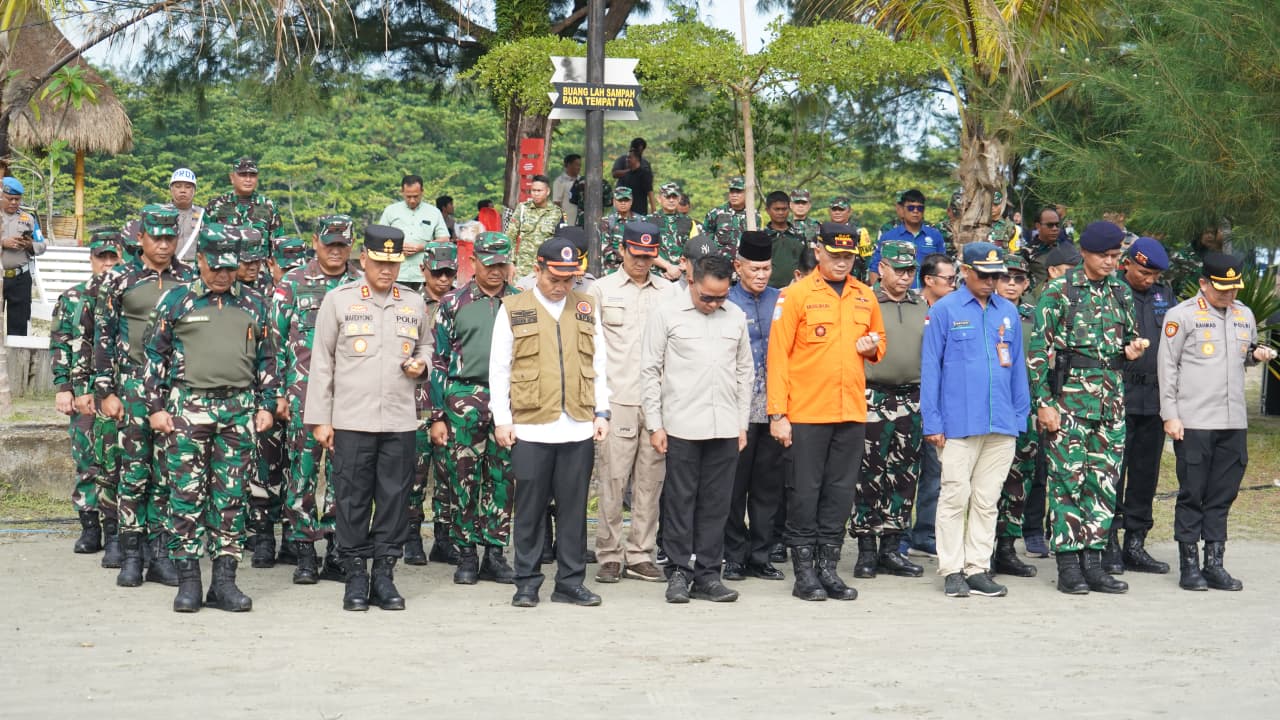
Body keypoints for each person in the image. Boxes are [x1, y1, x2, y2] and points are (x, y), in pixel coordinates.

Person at [142, 225, 276, 613]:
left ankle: (224, 583)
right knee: (185, 497)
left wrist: (267, 403)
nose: (221, 274)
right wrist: (156, 408)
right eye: (214, 266)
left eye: (229, 268)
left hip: (238, 411)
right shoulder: (177, 300)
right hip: (188, 409)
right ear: (199, 259)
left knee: (232, 498)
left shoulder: (254, 304)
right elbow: (153, 357)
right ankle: (188, 582)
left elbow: (268, 358)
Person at [304, 225, 431, 611]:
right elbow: (322, 363)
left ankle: (385, 576)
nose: (387, 270)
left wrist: (421, 364)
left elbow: (426, 343)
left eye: (394, 262)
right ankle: (356, 574)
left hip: (398, 420)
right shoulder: (339, 300)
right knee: (352, 499)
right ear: (364, 260)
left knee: (394, 499)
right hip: (352, 419)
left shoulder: (413, 302)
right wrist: (320, 420)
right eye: (379, 262)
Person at [489, 236, 610, 608]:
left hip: (577, 423)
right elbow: (499, 367)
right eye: (554, 278)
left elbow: (599, 363)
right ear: (537, 270)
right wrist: (502, 420)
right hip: (530, 425)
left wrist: (601, 411)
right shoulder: (513, 307)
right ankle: (526, 582)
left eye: (569, 279)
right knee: (529, 509)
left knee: (574, 512)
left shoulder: (586, 306)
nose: (561, 286)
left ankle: (570, 582)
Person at [767, 223, 886, 602]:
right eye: (834, 255)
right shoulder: (795, 295)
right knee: (804, 492)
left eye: (848, 257)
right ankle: (804, 573)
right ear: (818, 251)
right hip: (806, 411)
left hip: (850, 411)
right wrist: (777, 414)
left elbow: (878, 343)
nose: (840, 263)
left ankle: (828, 569)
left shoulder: (865, 295)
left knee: (839, 494)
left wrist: (871, 346)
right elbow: (777, 357)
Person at [1028, 221, 1146, 595]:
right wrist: (1045, 404)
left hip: (1110, 403)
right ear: (1086, 254)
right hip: (1069, 403)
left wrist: (1132, 349)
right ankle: (1068, 566)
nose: (1112, 262)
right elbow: (1036, 354)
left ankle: (1093, 564)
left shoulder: (1120, 292)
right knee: (1067, 484)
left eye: (1116, 256)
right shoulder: (1060, 291)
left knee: (1104, 483)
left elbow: (1127, 338)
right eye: (1105, 256)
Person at [93, 205, 196, 588]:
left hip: (175, 389)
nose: (165, 245)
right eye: (158, 238)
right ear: (141, 238)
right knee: (133, 474)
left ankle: (161, 552)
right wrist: (105, 390)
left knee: (168, 475)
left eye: (171, 237)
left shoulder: (188, 279)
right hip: (132, 386)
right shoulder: (119, 279)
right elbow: (101, 335)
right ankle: (131, 554)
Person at [1160, 254, 1274, 591]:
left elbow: (1243, 357)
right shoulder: (1181, 316)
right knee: (1192, 492)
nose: (1228, 295)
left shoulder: (1245, 315)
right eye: (1221, 289)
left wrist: (1256, 355)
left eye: (1233, 289)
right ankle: (1189, 565)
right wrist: (1170, 415)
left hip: (1233, 420)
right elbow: (1167, 368)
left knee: (1223, 494)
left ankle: (1215, 563)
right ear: (1204, 284)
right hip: (1194, 420)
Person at [922, 243, 1030, 598]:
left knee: (987, 499)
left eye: (996, 275)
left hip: (1001, 422)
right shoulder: (946, 310)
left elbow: (1016, 368)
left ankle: (978, 567)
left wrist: (1020, 415)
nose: (991, 281)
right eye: (984, 274)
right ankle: (952, 568)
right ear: (965, 271)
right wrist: (933, 421)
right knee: (955, 496)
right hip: (958, 422)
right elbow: (931, 369)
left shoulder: (1008, 312)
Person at [643, 253, 752, 603]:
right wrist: (654, 424)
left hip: (724, 425)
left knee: (717, 504)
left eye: (721, 297)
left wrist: (741, 423)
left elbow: (744, 372)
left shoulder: (734, 316)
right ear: (690, 281)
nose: (714, 304)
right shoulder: (666, 314)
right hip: (681, 424)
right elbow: (650, 371)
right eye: (707, 296)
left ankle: (708, 574)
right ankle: (677, 571)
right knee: (680, 502)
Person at [269, 215, 362, 585]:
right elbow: (273, 340)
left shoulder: (360, 286)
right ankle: (304, 551)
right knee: (302, 475)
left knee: (345, 477)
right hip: (303, 395)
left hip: (351, 398)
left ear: (351, 246)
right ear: (315, 242)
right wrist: (277, 392)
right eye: (329, 244)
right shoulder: (293, 283)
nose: (335, 250)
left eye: (342, 244)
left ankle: (338, 550)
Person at [429, 232, 519, 584]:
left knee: (503, 479)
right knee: (462, 478)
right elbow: (438, 361)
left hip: (508, 402)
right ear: (475, 262)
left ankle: (494, 552)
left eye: (502, 263)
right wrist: (437, 415)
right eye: (489, 263)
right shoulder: (454, 302)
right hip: (464, 398)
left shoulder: (521, 302)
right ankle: (466, 553)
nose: (496, 270)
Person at [587, 221, 669, 584]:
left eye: (648, 256)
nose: (641, 262)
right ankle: (609, 553)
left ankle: (640, 553)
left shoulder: (668, 291)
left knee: (650, 481)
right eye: (636, 254)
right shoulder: (600, 290)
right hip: (616, 398)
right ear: (622, 250)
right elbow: (588, 347)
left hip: (656, 401)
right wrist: (596, 402)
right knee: (612, 480)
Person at [851, 241, 928, 580]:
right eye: (898, 269)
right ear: (881, 268)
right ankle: (866, 549)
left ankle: (892, 549)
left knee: (904, 475)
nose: (904, 276)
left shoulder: (921, 303)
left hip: (911, 397)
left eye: (910, 270)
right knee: (868, 474)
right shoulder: (864, 301)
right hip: (873, 397)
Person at [51, 232, 122, 556]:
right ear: (91, 259)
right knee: (86, 459)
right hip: (82, 392)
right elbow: (61, 344)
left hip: (117, 393)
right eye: (101, 258)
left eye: (113, 257)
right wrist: (64, 388)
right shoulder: (72, 298)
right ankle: (89, 527)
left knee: (117, 462)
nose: (107, 264)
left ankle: (116, 528)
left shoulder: (127, 296)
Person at [722, 231, 785, 581]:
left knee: (767, 486)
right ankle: (733, 554)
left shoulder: (782, 300)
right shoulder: (727, 301)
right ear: (738, 266)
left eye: (766, 268)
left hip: (775, 408)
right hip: (736, 409)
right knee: (733, 486)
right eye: (754, 268)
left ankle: (761, 555)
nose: (761, 275)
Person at [1113, 237, 1175, 575]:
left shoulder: (1164, 296)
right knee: (1111, 476)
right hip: (1117, 397)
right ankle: (1107, 543)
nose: (1149, 280)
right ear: (1127, 264)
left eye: (1154, 274)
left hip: (1153, 402)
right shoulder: (1111, 292)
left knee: (1144, 477)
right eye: (1144, 273)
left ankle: (1135, 544)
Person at [229, 225, 288, 566]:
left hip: (268, 391)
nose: (250, 268)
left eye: (256, 262)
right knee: (236, 469)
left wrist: (274, 394)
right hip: (234, 392)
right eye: (244, 261)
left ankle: (265, 534)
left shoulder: (272, 295)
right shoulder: (217, 292)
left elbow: (275, 351)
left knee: (270, 466)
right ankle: (242, 532)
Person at [405, 241, 457, 566]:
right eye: (437, 272)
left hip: (451, 400)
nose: (442, 279)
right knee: (414, 471)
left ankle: (444, 537)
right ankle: (411, 536)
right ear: (424, 269)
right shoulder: (410, 303)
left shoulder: (460, 303)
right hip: (416, 401)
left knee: (448, 471)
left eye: (448, 273)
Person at [990, 253, 1041, 578]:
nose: (1011, 284)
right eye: (1005, 277)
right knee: (984, 483)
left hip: (1025, 410)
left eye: (1018, 278)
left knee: (1018, 481)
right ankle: (978, 550)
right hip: (990, 407)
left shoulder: (1034, 316)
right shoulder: (984, 312)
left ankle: (1007, 549)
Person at [905, 253, 959, 558]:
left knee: (935, 470)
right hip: (905, 395)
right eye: (949, 279)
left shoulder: (954, 309)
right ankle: (895, 534)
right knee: (901, 470)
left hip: (939, 398)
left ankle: (923, 533)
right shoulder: (910, 306)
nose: (954, 284)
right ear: (929, 280)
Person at [376, 174, 450, 293]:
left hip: (424, 274)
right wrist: (397, 246)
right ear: (402, 192)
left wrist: (422, 247)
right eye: (408, 196)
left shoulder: (434, 212)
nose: (412, 200)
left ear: (422, 192)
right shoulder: (391, 211)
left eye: (416, 196)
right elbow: (379, 237)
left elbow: (445, 239)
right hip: (395, 273)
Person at [868, 190, 945, 288]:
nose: (915, 211)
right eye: (911, 208)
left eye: (919, 208)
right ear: (902, 210)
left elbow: (943, 267)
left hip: (928, 294)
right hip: (896, 294)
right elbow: (875, 268)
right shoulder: (888, 236)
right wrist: (879, 294)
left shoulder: (935, 235)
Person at [1, 176, 47, 336]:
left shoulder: (28, 219)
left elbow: (42, 245)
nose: (14, 202)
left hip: (20, 278)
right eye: (10, 198)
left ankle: (15, 360)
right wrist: (3, 243)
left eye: (17, 199)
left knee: (19, 328)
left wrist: (30, 245)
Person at [205, 157, 283, 242]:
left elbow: (277, 243)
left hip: (259, 255)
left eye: (252, 175)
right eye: (243, 175)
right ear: (232, 177)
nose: (248, 179)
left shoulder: (268, 206)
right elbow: (203, 241)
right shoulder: (217, 205)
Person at [506, 174, 564, 278]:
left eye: (539, 191)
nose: (536, 194)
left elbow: (560, 241)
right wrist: (510, 262)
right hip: (522, 268)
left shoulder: (557, 213)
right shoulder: (522, 209)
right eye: (533, 190)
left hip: (545, 267)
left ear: (547, 192)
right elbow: (510, 236)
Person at [703, 176, 758, 258]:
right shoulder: (716, 213)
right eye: (732, 191)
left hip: (745, 264)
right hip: (721, 264)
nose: (734, 195)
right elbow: (705, 239)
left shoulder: (754, 215)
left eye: (738, 192)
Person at [648, 182, 693, 281]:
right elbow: (646, 249)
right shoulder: (648, 221)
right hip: (657, 275)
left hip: (682, 276)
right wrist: (669, 267)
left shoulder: (688, 221)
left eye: (674, 197)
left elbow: (692, 248)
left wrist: (681, 268)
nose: (671, 200)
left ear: (679, 198)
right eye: (668, 197)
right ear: (659, 199)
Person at [763, 190, 806, 288]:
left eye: (784, 209)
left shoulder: (799, 235)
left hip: (796, 288)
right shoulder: (762, 237)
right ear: (768, 210)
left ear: (789, 209)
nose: (781, 212)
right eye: (776, 209)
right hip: (768, 290)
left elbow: (805, 263)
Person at [1024, 206, 1069, 292]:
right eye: (1050, 225)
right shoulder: (1027, 252)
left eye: (1057, 225)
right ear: (1038, 226)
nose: (1055, 229)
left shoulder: (1066, 250)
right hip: (1039, 300)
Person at [598, 186, 639, 273]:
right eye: (620, 200)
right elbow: (605, 249)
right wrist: (627, 258)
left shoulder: (641, 221)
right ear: (614, 201)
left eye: (626, 200)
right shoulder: (606, 222)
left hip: (636, 268)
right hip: (612, 269)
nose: (623, 203)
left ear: (631, 201)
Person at [168, 168, 205, 263]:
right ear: (171, 189)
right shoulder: (160, 214)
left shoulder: (204, 215)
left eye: (188, 187)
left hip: (196, 269)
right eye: (178, 186)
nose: (183, 190)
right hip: (169, 267)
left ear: (194, 190)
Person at [612, 138, 655, 215]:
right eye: (637, 149)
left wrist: (653, 210)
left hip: (639, 204)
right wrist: (630, 170)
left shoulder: (645, 164)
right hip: (622, 201)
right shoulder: (623, 159)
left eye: (641, 150)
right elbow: (614, 173)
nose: (639, 152)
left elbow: (649, 188)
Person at [552, 154, 582, 227]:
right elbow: (557, 203)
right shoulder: (559, 181)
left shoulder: (582, 181)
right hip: (568, 222)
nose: (579, 168)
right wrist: (563, 220)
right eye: (577, 165)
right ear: (569, 165)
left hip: (582, 222)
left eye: (580, 165)